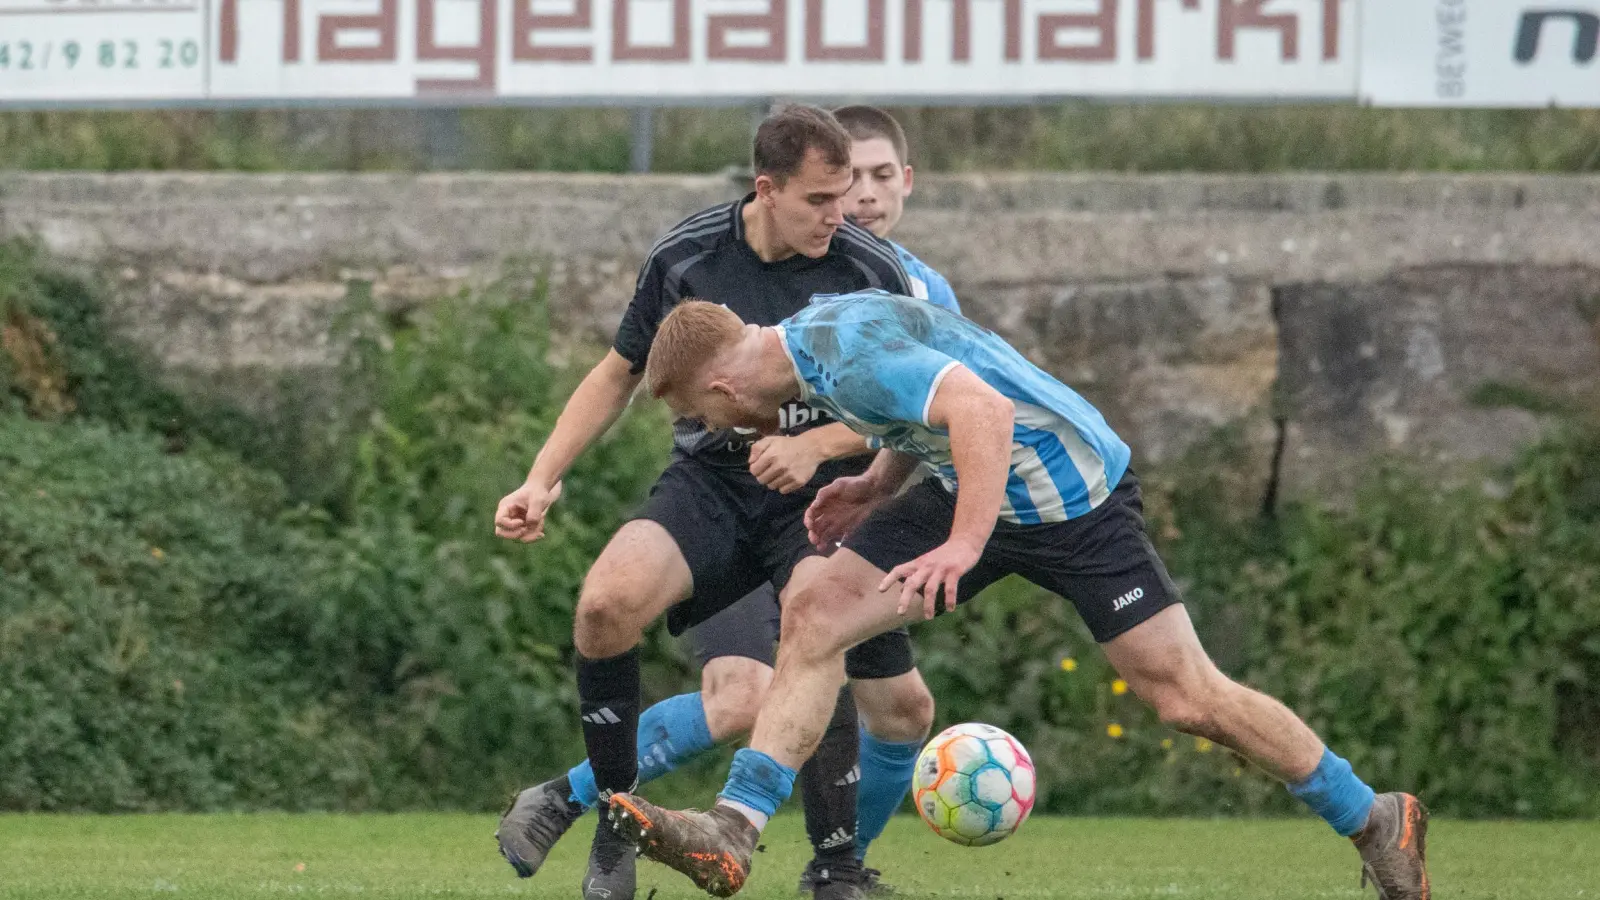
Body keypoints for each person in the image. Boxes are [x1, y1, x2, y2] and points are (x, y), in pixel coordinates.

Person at [605, 292, 1433, 900]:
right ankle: (734, 829)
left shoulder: (841, 348)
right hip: (967, 486)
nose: (723, 430)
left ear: (718, 385)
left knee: (1186, 698)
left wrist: (962, 545)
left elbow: (984, 410)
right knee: (816, 611)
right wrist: (872, 482)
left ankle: (1373, 816)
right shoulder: (813, 349)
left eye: (705, 417)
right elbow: (922, 409)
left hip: (1074, 500)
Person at [492, 106, 940, 900]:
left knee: (829, 641)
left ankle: (836, 870)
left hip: (825, 496)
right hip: (714, 484)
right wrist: (540, 477)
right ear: (766, 190)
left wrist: (818, 445)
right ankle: (614, 829)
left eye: (851, 193)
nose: (843, 214)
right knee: (605, 604)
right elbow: (616, 373)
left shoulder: (874, 270)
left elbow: (920, 407)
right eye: (820, 199)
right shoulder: (687, 255)